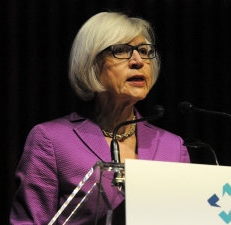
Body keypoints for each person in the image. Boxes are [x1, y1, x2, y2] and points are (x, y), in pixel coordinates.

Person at [10, 11, 190, 225]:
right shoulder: (51, 140)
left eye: (144, 51)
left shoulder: (173, 147)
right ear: (91, 63)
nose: (138, 60)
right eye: (122, 50)